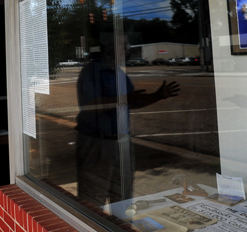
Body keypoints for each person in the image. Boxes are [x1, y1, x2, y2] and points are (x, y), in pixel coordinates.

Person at [75, 32, 179, 210]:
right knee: (92, 202)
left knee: (123, 201)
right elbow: (89, 106)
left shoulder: (119, 74)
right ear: (108, 47)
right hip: (97, 144)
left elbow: (131, 101)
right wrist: (122, 100)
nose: (127, 49)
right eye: (122, 45)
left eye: (127, 45)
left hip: (121, 144)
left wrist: (158, 96)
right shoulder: (91, 72)